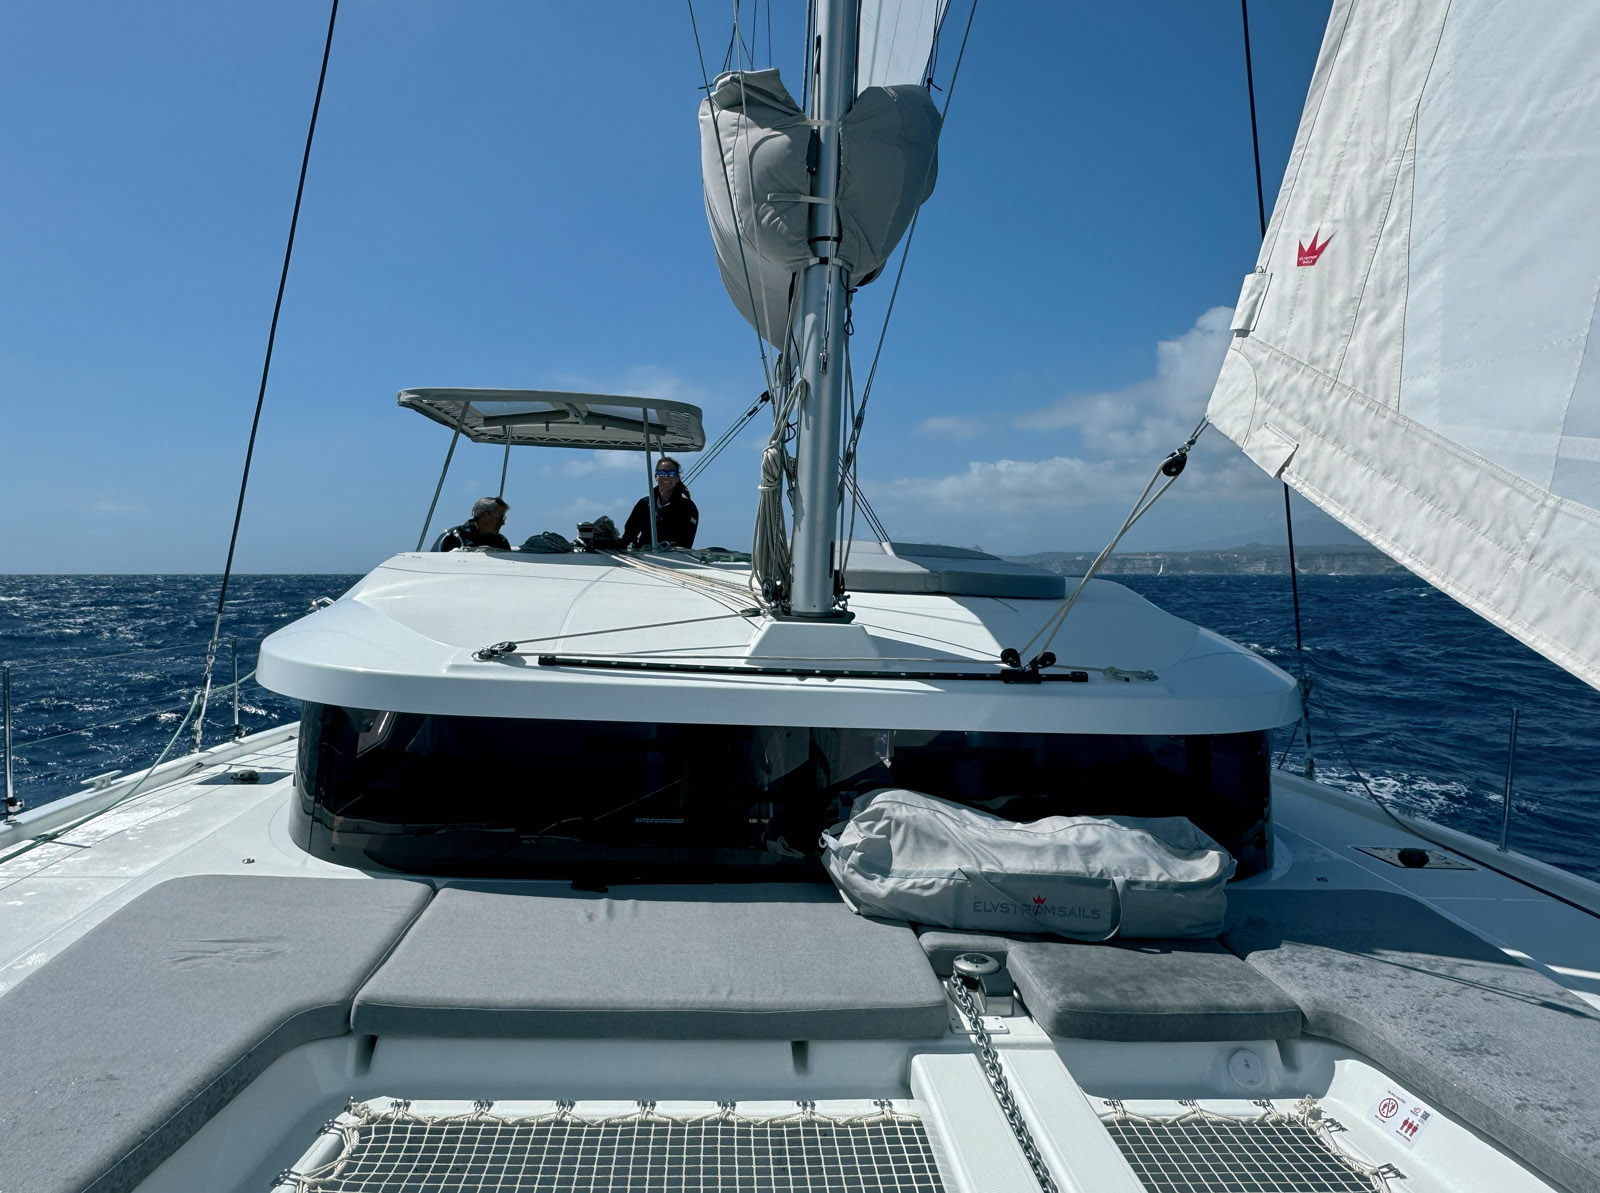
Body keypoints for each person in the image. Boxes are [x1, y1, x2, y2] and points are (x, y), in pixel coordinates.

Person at [622, 457, 698, 549]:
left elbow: (686, 542)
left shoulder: (688, 508)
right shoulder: (644, 504)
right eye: (661, 473)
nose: (666, 476)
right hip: (643, 556)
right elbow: (629, 534)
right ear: (656, 477)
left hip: (673, 559)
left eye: (671, 473)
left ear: (677, 478)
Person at [437, 496, 510, 551]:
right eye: (500, 518)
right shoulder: (453, 537)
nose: (503, 523)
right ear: (484, 516)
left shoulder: (502, 542)